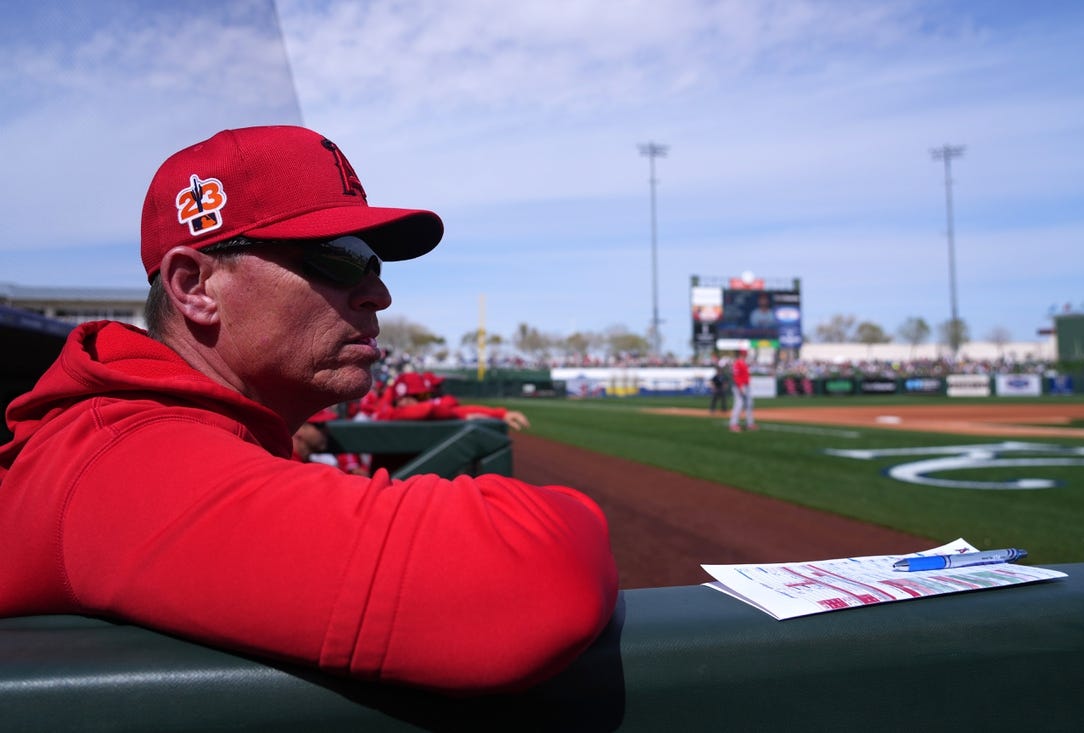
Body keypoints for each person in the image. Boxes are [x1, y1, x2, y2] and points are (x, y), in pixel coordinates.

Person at [0, 125, 617, 694]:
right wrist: (583, 513)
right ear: (195, 287)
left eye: (372, 262)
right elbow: (533, 582)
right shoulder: (127, 461)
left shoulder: (146, 430)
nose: (378, 291)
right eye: (338, 255)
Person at [374, 371, 531, 431]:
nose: (427, 399)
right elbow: (429, 409)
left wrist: (500, 414)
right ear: (404, 399)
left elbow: (456, 409)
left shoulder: (398, 408)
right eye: (421, 396)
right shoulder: (389, 412)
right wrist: (458, 416)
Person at [729, 348, 757, 432]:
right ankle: (733, 424)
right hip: (740, 386)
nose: (746, 355)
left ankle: (750, 424)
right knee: (739, 404)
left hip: (746, 385)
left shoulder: (744, 363)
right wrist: (740, 386)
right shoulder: (737, 363)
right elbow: (736, 376)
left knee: (749, 404)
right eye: (744, 354)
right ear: (741, 354)